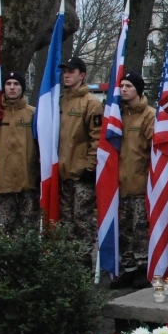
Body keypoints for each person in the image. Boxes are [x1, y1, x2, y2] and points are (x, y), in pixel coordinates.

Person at [0, 71, 39, 233]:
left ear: (22, 88)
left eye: (16, 84)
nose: (12, 87)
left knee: (28, 229)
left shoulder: (33, 114)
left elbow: (42, 146)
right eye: (8, 84)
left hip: (28, 181)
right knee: (3, 230)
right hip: (1, 182)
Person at [112, 71, 155, 288]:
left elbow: (154, 152)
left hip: (140, 182)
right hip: (119, 183)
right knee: (123, 230)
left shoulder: (149, 115)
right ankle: (127, 267)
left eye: (128, 86)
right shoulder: (116, 114)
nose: (124, 89)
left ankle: (142, 267)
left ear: (138, 89)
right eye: (122, 85)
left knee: (139, 229)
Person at [58, 57, 102, 262]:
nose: (67, 75)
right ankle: (68, 260)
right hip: (62, 172)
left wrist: (90, 167)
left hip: (81, 173)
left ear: (82, 75)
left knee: (82, 219)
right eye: (65, 71)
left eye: (71, 71)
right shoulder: (59, 100)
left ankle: (84, 259)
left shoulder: (91, 103)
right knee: (66, 220)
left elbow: (97, 137)